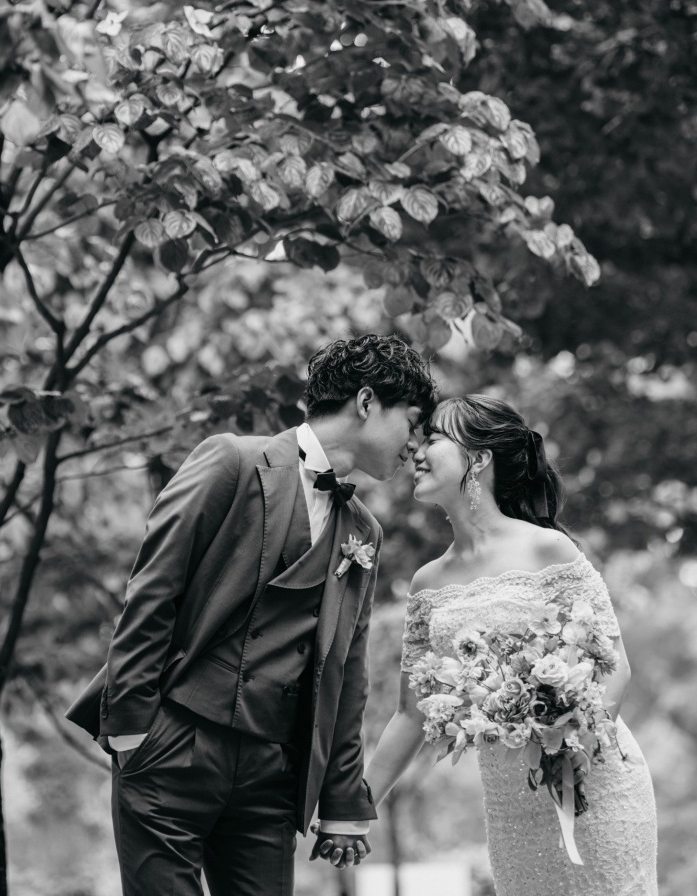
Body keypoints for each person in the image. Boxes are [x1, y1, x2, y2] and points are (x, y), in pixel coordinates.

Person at [65, 334, 437, 896]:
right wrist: (132, 732)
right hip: (171, 741)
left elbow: (345, 671)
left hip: (271, 770)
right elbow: (152, 591)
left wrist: (341, 799)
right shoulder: (232, 460)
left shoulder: (364, 531)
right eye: (411, 422)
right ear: (366, 402)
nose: (415, 444)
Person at [363, 394, 658, 896]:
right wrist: (354, 806)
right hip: (510, 805)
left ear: (478, 458)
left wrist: (569, 757)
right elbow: (411, 715)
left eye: (433, 438)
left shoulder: (548, 548)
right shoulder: (426, 584)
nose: (415, 450)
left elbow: (616, 667)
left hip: (596, 785)